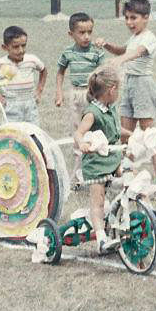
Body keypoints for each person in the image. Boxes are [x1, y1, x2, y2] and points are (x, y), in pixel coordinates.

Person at [94, 0, 156, 200]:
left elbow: (135, 53)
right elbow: (123, 50)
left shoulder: (149, 37)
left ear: (146, 18)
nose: (129, 22)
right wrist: (107, 45)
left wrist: (119, 60)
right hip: (128, 85)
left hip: (143, 85)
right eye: (126, 18)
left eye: (133, 18)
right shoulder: (134, 37)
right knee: (125, 135)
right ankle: (130, 179)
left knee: (149, 135)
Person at [74, 67, 130, 254]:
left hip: (113, 158)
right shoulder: (92, 113)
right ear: (112, 90)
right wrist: (82, 143)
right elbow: (79, 132)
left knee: (132, 180)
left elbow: (116, 130)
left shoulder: (111, 109)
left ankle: (148, 211)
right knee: (97, 201)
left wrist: (134, 135)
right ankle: (101, 239)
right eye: (118, 90)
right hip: (97, 164)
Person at [55, 12, 106, 184]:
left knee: (94, 129)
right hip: (75, 94)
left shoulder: (96, 52)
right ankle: (78, 174)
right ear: (71, 34)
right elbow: (60, 72)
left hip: (92, 94)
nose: (86, 37)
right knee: (78, 132)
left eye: (89, 32)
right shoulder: (68, 53)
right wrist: (59, 93)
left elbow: (103, 73)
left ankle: (96, 170)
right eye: (81, 33)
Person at [0, 25, 46, 125]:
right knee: (12, 134)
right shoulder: (0, 63)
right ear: (5, 47)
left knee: (33, 133)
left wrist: (39, 90)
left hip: (30, 103)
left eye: (24, 45)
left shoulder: (32, 60)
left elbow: (43, 70)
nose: (21, 50)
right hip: (10, 105)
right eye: (16, 47)